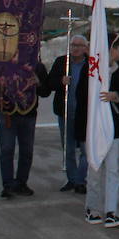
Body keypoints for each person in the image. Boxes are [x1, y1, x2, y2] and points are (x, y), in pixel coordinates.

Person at [73, 35, 119, 229]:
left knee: (113, 170)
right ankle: (93, 208)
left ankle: (111, 212)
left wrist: (115, 96)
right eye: (117, 48)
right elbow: (81, 98)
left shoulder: (116, 72)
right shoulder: (90, 72)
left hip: (112, 128)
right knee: (95, 169)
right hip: (94, 128)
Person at [45, 34, 89, 193]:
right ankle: (72, 179)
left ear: (85, 48)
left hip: (84, 115)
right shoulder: (62, 62)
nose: (76, 48)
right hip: (65, 112)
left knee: (86, 150)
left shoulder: (91, 64)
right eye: (73, 45)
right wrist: (60, 81)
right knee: (68, 148)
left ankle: (80, 179)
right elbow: (50, 83)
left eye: (79, 45)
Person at [0, 56, 42, 199]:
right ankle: (8, 185)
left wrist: (38, 82)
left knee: (27, 151)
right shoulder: (3, 65)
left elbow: (46, 91)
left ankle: (22, 183)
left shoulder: (38, 66)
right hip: (8, 114)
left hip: (29, 114)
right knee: (7, 149)